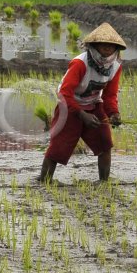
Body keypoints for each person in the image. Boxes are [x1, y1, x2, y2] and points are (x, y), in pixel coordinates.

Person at [38, 23, 126, 183]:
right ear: (94, 45)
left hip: (93, 104)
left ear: (116, 47)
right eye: (103, 44)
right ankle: (44, 180)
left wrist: (113, 113)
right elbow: (64, 93)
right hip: (70, 106)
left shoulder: (115, 66)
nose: (107, 48)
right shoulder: (80, 63)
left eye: (111, 45)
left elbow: (110, 95)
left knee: (105, 143)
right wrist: (81, 114)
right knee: (59, 146)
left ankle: (103, 181)